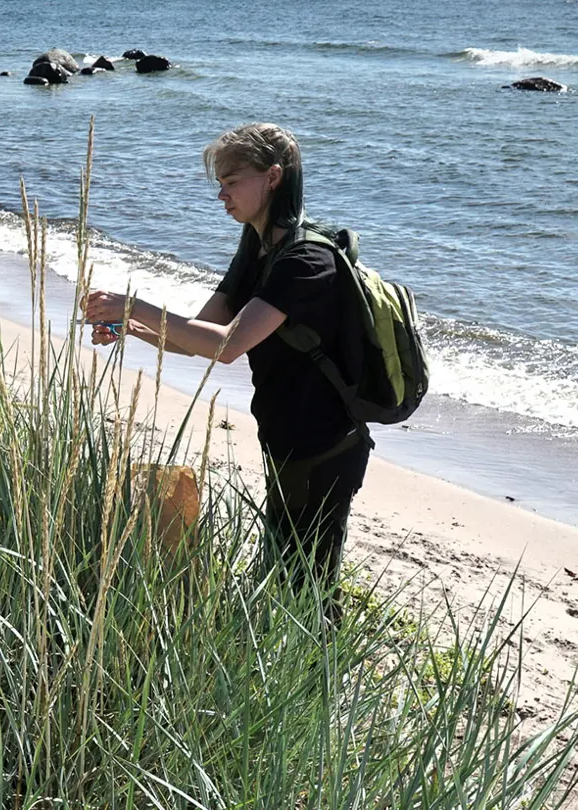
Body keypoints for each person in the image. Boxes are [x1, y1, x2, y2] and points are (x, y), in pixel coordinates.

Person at [81, 122, 370, 598]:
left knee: (309, 590)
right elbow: (199, 335)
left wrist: (133, 304)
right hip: (284, 438)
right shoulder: (256, 250)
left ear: (272, 177)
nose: (221, 195)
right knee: (285, 577)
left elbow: (227, 346)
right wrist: (131, 327)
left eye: (232, 182)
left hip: (325, 447)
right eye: (220, 183)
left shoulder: (305, 261)